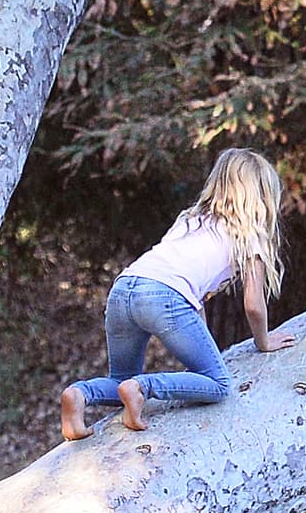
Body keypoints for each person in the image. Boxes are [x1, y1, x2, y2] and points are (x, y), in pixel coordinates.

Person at [60, 149, 293, 440]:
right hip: (164, 297)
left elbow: (196, 298)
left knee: (120, 380)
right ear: (262, 195)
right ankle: (143, 388)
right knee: (219, 384)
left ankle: (80, 394)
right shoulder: (249, 235)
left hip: (124, 288)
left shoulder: (190, 219)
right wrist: (264, 341)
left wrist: (200, 348)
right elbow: (254, 305)